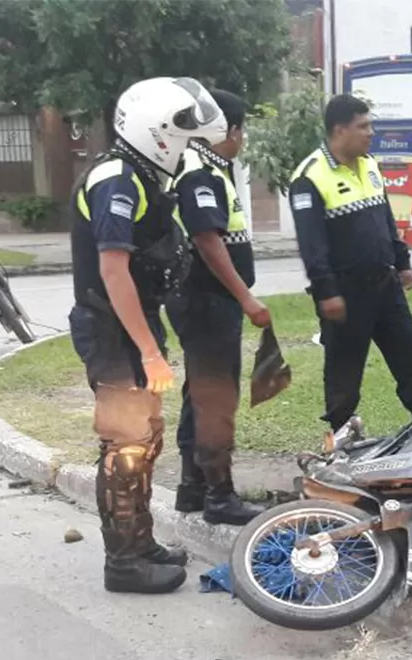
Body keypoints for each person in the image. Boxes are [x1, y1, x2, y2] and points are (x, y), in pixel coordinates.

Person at [67, 77, 226, 594]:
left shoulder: (141, 175)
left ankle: (140, 542)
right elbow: (113, 272)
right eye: (183, 137)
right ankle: (124, 564)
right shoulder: (118, 180)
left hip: (131, 327)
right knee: (125, 446)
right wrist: (151, 352)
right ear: (157, 133)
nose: (189, 147)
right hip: (113, 332)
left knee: (146, 439)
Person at [289, 93, 412, 431]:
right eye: (363, 126)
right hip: (346, 292)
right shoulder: (309, 177)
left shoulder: (369, 164)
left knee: (409, 354)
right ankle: (340, 434)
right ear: (340, 130)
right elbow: (312, 245)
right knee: (344, 368)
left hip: (385, 283)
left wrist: (402, 262)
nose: (371, 132)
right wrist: (327, 292)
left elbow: (385, 217)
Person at [166, 89, 270, 527]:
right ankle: (219, 495)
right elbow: (208, 239)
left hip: (203, 300)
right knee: (215, 397)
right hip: (207, 301)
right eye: (241, 131)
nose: (242, 140)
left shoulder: (203, 168)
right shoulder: (200, 170)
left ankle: (193, 486)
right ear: (230, 129)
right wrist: (245, 297)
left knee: (201, 390)